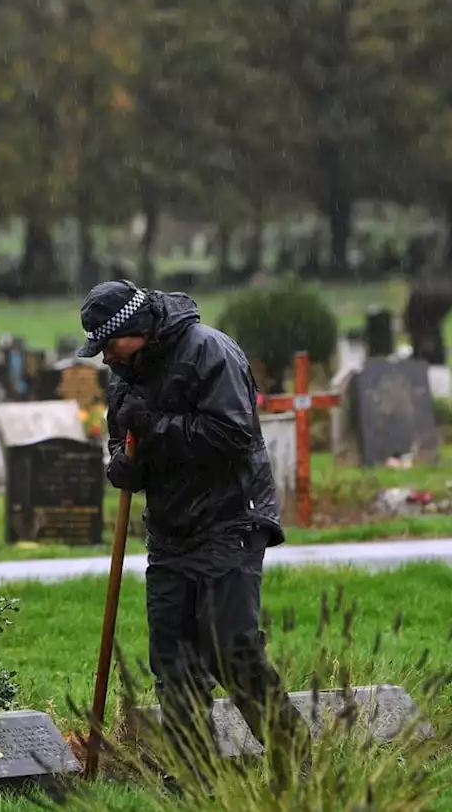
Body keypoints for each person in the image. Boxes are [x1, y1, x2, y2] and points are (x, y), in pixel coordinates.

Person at [78, 280, 309, 788]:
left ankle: (294, 763)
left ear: (135, 330)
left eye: (109, 346)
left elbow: (232, 434)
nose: (106, 359)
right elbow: (125, 444)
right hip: (170, 533)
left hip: (230, 520)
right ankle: (196, 775)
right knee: (174, 661)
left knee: (232, 649)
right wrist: (123, 465)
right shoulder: (123, 376)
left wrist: (155, 428)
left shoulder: (209, 350)